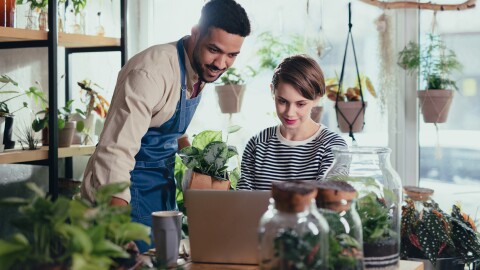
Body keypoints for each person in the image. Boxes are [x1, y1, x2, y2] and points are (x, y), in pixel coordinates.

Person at [81, 0, 251, 252]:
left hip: (162, 190)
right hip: (125, 191)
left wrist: (199, 167)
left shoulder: (198, 68)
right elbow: (115, 151)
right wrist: (117, 226)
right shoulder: (150, 72)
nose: (221, 63)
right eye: (214, 49)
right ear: (195, 33)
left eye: (232, 55)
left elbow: (172, 126)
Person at [237, 54, 347, 191]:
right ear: (272, 91)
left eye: (300, 104)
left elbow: (328, 202)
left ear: (317, 98)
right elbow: (242, 201)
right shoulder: (257, 144)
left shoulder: (334, 146)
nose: (290, 112)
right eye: (282, 101)